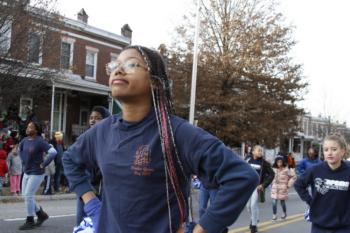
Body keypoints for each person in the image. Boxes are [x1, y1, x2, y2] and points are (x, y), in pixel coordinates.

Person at [63, 45, 259, 233]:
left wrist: (203, 229)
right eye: (114, 66)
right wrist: (91, 202)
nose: (118, 70)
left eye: (131, 64)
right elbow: (69, 159)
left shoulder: (177, 133)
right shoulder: (101, 131)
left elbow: (242, 177)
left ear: (155, 82)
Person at [294, 134, 350, 233]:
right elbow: (298, 184)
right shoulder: (315, 170)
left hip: (344, 226)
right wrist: (310, 201)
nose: (329, 153)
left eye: (334, 149)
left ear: (342, 151)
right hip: (320, 226)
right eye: (326, 149)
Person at [75, 106, 111, 227]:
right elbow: (73, 163)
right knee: (81, 222)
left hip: (104, 191)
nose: (93, 120)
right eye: (91, 118)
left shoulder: (112, 140)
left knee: (100, 224)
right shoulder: (83, 140)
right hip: (86, 190)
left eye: (97, 118)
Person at [18, 121, 57, 230]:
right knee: (25, 196)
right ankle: (41, 214)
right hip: (26, 172)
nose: (27, 128)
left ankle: (30, 221)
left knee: (28, 196)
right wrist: (24, 160)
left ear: (36, 130)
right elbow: (19, 150)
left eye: (30, 127)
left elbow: (53, 152)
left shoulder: (40, 142)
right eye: (28, 127)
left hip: (37, 173)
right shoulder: (24, 140)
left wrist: (44, 163)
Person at [245, 145, 274, 233]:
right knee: (248, 207)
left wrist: (263, 185)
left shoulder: (264, 163)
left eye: (261, 151)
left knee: (253, 205)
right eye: (258, 150)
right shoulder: (247, 160)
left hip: (257, 187)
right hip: (247, 186)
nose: (260, 152)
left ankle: (253, 226)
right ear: (253, 151)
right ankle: (254, 218)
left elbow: (272, 174)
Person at [270, 156, 296, 220]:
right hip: (275, 187)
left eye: (280, 162)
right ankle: (274, 215)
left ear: (282, 162)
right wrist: (271, 182)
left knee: (282, 202)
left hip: (283, 187)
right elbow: (269, 176)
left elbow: (294, 177)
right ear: (276, 163)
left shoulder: (286, 170)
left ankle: (284, 213)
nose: (279, 163)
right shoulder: (273, 169)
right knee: (274, 202)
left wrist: (288, 185)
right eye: (278, 162)